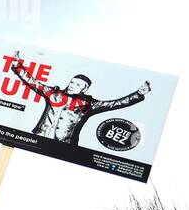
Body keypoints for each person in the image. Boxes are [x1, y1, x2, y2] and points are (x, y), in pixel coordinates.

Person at [12, 51, 150, 146]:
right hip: (39, 137)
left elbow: (115, 104)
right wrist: (17, 65)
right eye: (72, 82)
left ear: (84, 89)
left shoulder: (89, 104)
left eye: (77, 84)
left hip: (64, 146)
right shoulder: (52, 93)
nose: (72, 85)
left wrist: (138, 94)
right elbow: (32, 81)